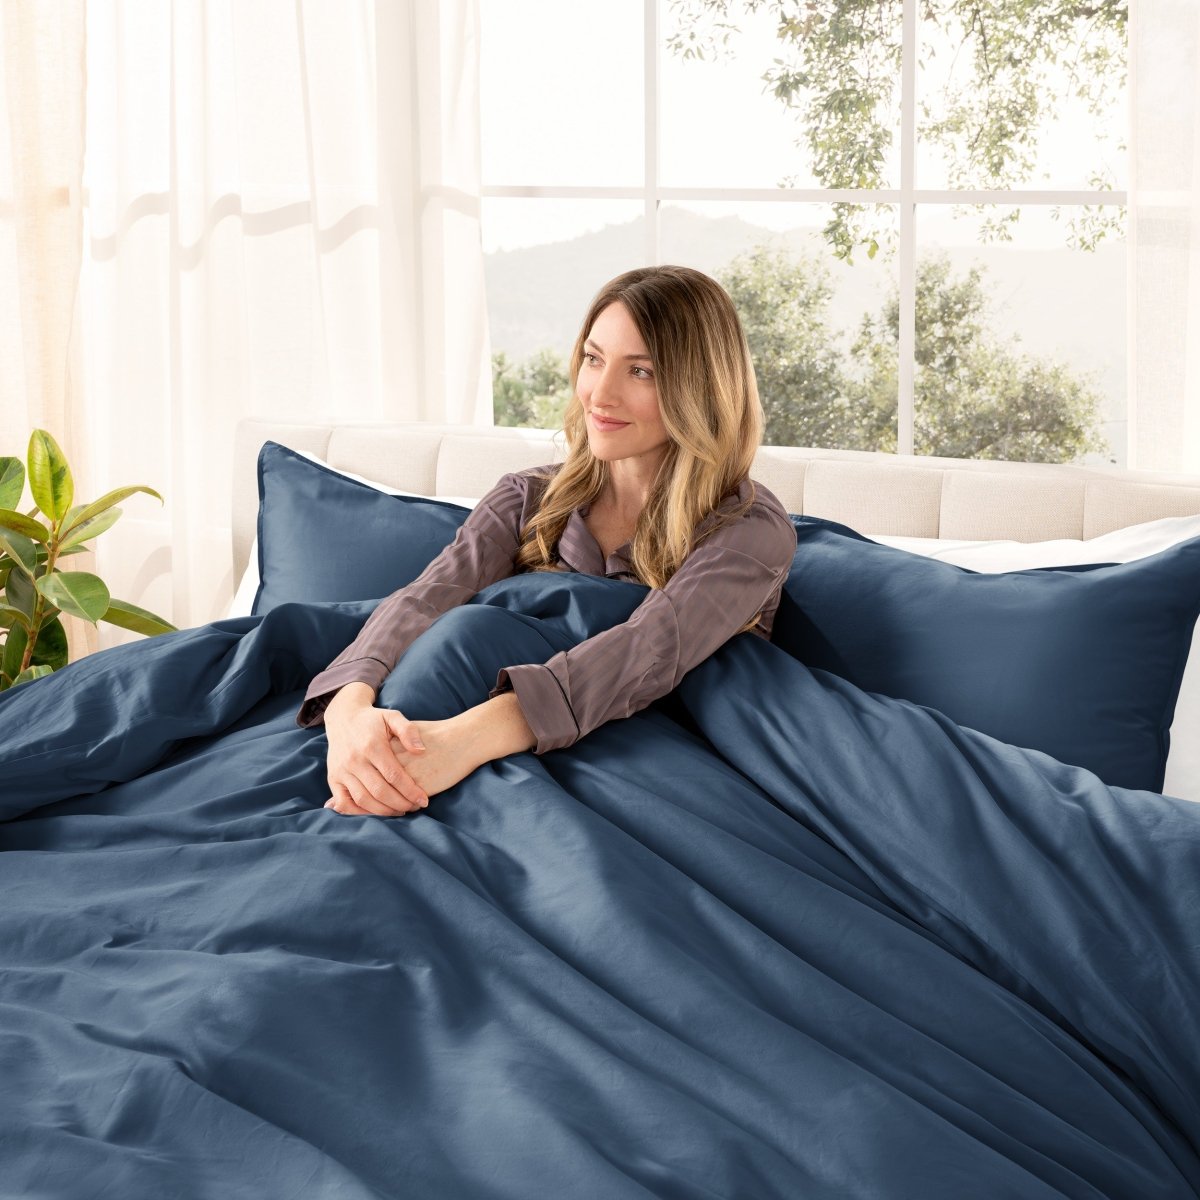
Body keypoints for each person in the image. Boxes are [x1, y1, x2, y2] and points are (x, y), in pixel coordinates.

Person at [299, 265, 798, 818]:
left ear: (700, 388)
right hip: (447, 733)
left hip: (635, 769)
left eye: (641, 371)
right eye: (593, 359)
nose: (599, 394)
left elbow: (646, 651)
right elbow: (429, 594)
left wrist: (460, 744)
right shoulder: (526, 497)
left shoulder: (748, 530)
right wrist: (349, 711)